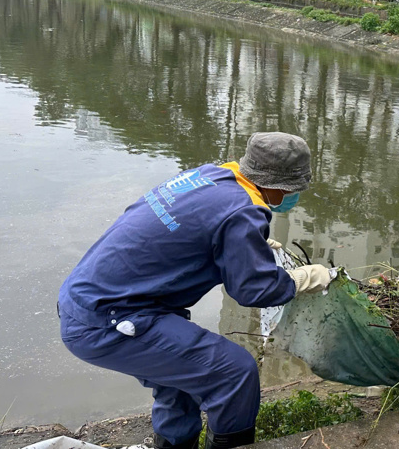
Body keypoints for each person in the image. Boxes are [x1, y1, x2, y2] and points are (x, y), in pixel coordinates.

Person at [58, 132, 334, 449]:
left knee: (181, 381)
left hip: (87, 299)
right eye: (293, 188)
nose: (293, 195)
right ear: (278, 183)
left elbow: (190, 231)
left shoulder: (208, 176)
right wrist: (301, 279)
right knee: (235, 373)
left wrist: (247, 246)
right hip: (108, 320)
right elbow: (253, 291)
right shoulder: (244, 211)